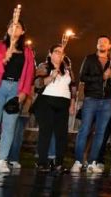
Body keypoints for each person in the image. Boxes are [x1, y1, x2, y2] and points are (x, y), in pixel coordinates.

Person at [0, 20, 35, 174]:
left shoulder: (27, 51)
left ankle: (2, 160)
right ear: (8, 29)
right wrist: (4, 59)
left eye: (18, 26)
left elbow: (29, 73)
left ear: (23, 31)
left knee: (9, 126)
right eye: (11, 25)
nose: (14, 28)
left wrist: (23, 92)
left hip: (16, 89)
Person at [71, 36, 111, 174]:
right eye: (99, 42)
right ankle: (78, 161)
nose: (102, 43)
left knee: (100, 133)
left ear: (109, 46)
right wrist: (101, 77)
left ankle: (92, 162)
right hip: (91, 98)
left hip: (107, 101)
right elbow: (83, 76)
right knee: (84, 130)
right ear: (97, 45)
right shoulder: (90, 58)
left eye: (105, 42)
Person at [33, 44, 76, 172]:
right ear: (50, 54)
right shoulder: (44, 66)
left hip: (63, 102)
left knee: (61, 134)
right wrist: (51, 76)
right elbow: (37, 83)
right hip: (46, 100)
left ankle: (59, 163)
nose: (59, 54)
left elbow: (73, 86)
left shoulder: (67, 69)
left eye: (61, 52)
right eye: (56, 52)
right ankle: (42, 162)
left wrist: (72, 103)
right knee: (45, 132)